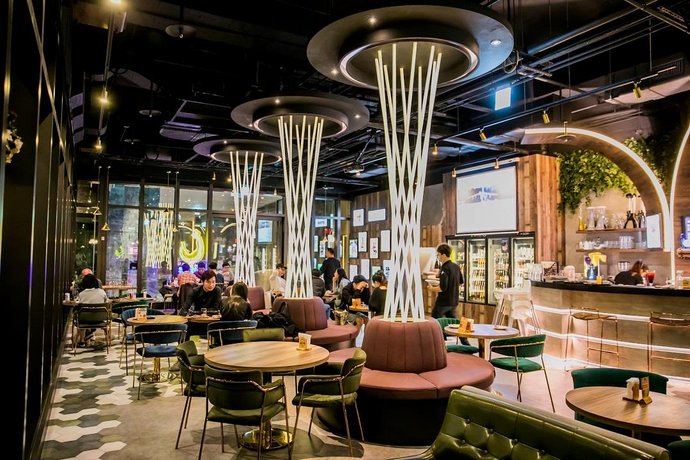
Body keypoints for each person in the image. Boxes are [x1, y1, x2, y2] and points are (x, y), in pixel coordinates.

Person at [75, 274, 108, 346]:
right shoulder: (102, 292)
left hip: (84, 320)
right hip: (100, 319)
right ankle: (90, 333)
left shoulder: (81, 294)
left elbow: (77, 304)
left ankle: (82, 341)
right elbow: (106, 302)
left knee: (79, 314)